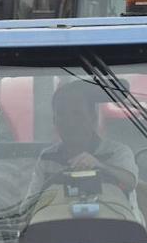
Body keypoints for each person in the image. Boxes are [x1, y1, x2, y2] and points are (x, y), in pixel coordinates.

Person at [24, 80, 138, 214]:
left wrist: (100, 166)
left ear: (93, 118)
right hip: (58, 230)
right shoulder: (46, 159)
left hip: (117, 229)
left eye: (77, 114)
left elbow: (130, 182)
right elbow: (27, 208)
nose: (69, 122)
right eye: (61, 114)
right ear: (54, 121)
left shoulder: (117, 152)